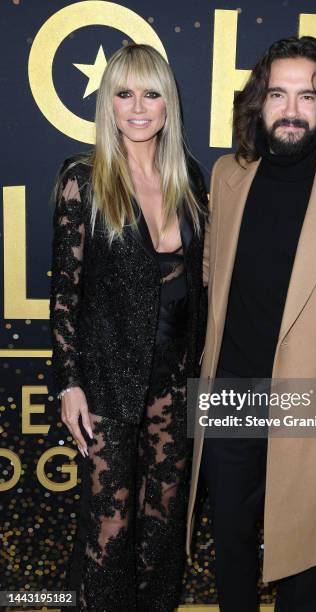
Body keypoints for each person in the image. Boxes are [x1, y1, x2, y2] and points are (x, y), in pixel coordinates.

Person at [186, 36, 316, 611]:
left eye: (307, 96)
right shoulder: (229, 174)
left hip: (313, 400)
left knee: (304, 557)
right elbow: (212, 271)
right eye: (277, 94)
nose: (290, 109)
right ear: (259, 102)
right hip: (230, 390)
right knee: (229, 542)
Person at [50, 43, 207, 611]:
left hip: (175, 383)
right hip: (109, 380)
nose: (138, 107)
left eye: (151, 93)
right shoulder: (83, 179)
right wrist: (70, 382)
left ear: (169, 103)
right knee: (108, 532)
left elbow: (202, 283)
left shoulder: (189, 178)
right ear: (108, 104)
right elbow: (65, 292)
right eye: (124, 93)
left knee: (164, 533)